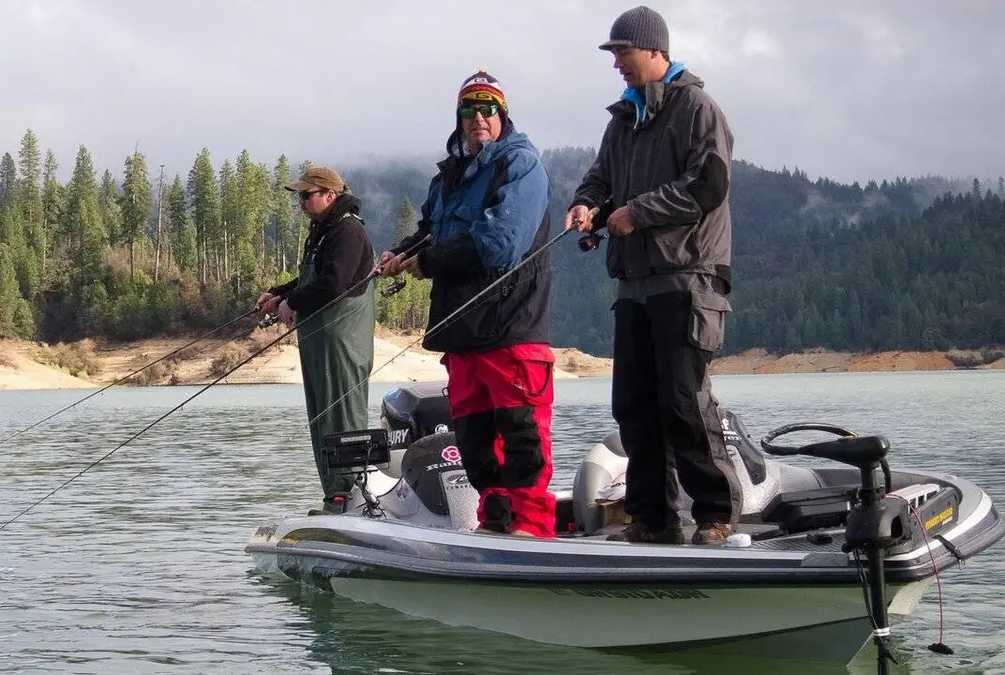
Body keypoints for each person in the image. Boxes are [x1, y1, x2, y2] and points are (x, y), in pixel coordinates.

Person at [565, 5, 741, 545]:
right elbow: (600, 180)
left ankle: (715, 514)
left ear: (654, 50)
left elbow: (707, 185)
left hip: (689, 281)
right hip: (635, 286)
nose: (616, 62)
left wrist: (637, 212)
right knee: (634, 408)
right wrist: (586, 206)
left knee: (684, 403)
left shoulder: (698, 108)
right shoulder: (622, 120)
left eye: (622, 52)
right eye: (614, 54)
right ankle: (652, 518)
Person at [380, 71, 556, 537]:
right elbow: (430, 230)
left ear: (502, 114)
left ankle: (533, 529)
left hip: (510, 325)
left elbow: (501, 243)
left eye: (487, 109)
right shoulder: (451, 176)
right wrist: (404, 251)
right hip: (463, 330)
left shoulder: (521, 166)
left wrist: (429, 261)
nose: (478, 118)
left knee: (522, 434)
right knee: (476, 444)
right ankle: (495, 524)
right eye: (468, 110)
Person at [256, 167, 375, 513]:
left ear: (329, 195)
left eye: (306, 196)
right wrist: (280, 295)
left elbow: (334, 283)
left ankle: (348, 495)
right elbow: (312, 279)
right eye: (299, 196)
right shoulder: (325, 231)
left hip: (342, 342)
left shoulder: (348, 231)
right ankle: (333, 496)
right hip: (321, 341)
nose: (301, 203)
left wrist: (293, 303)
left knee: (341, 415)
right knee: (321, 417)